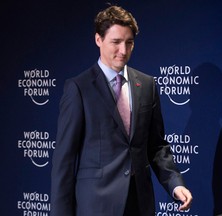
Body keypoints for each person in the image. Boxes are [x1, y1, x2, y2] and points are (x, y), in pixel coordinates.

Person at [50, 5, 192, 216]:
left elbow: (156, 146)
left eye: (129, 43)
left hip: (140, 205)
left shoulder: (147, 84)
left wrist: (175, 184)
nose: (123, 51)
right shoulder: (79, 88)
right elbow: (64, 161)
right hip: (96, 207)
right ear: (98, 40)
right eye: (116, 42)